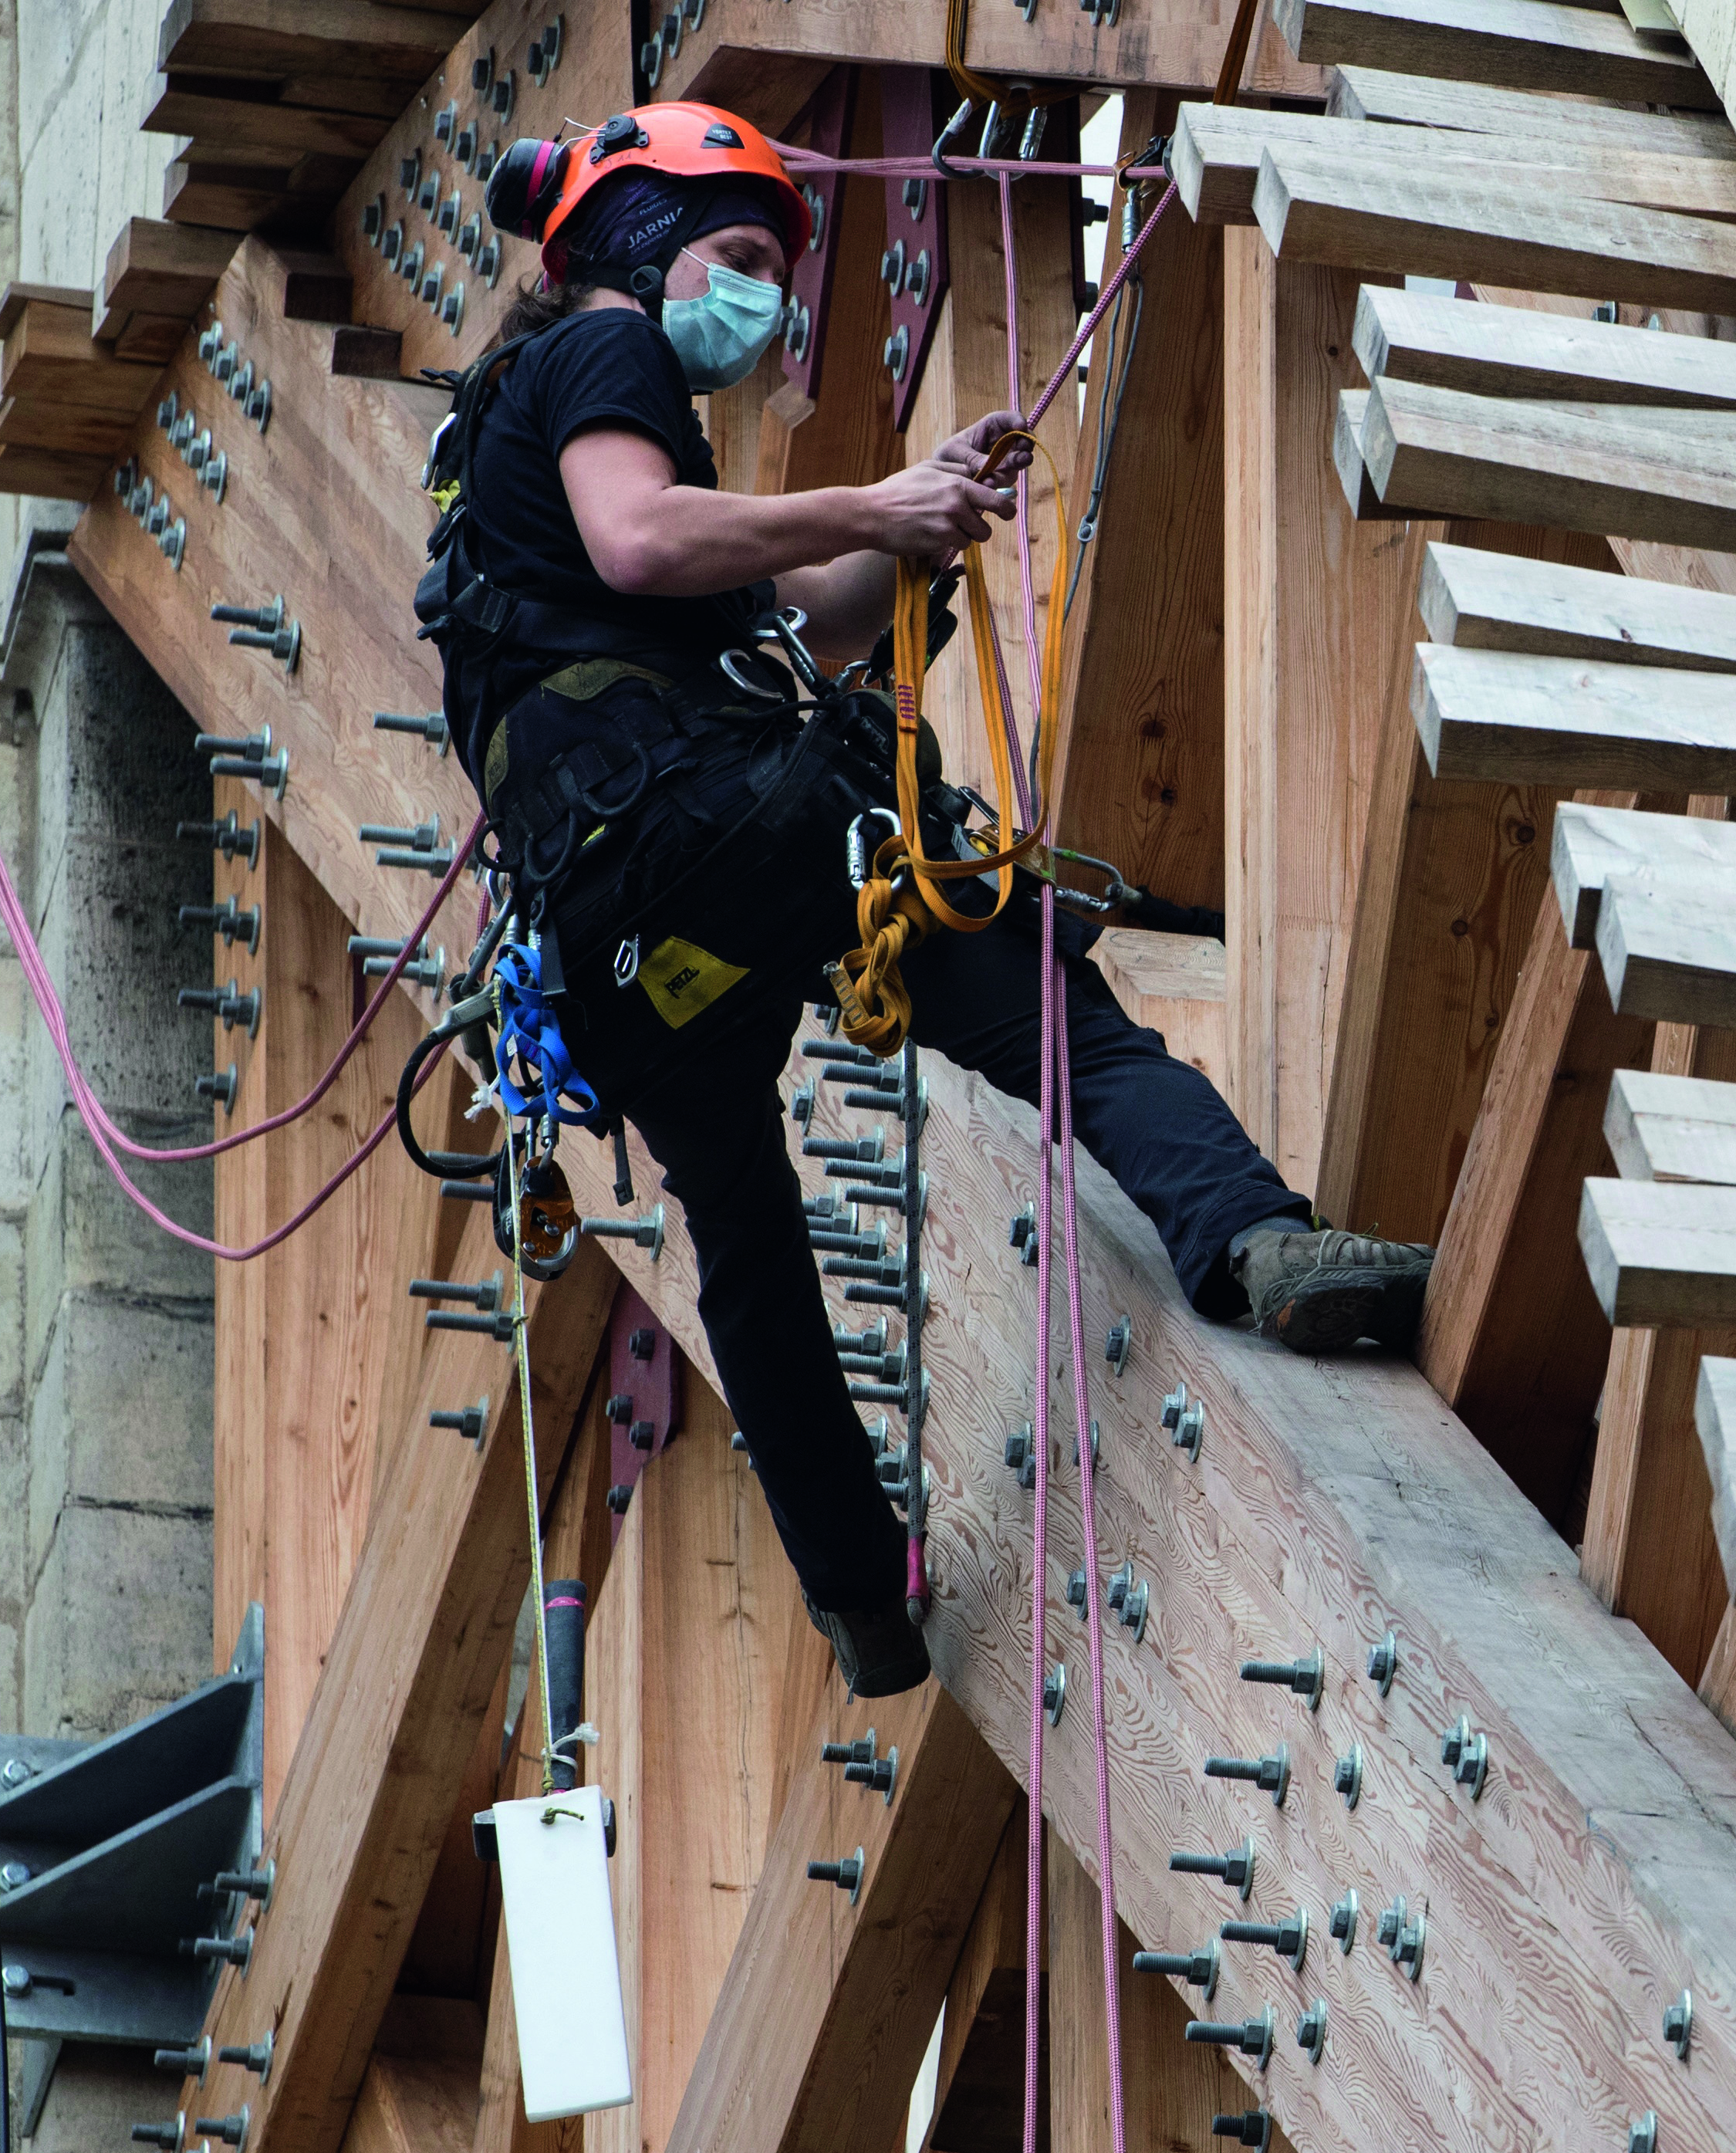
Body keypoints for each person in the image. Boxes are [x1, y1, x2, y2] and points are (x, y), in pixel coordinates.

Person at [420, 99, 1428, 1698]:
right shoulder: (600, 356)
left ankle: (861, 1595)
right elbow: (640, 539)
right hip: (730, 827)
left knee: (745, 1235)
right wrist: (875, 504)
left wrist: (921, 523)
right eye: (736, 256)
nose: (754, 304)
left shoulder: (498, 459)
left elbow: (778, 617)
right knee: (1050, 1017)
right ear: (635, 235)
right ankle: (1253, 1247)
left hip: (622, 933)